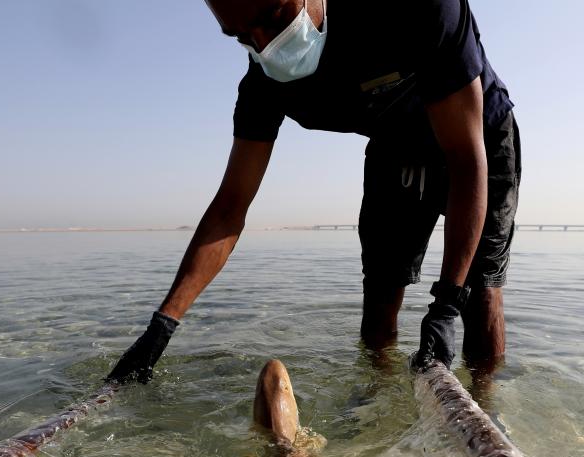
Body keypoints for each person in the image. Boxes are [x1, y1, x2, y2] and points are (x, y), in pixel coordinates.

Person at [107, 0, 521, 384]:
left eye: (272, 18)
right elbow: (229, 208)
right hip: (394, 146)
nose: (266, 46)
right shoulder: (263, 84)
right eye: (243, 37)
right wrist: (162, 327)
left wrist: (447, 302)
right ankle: (375, 414)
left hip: (477, 136)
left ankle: (485, 409)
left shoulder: (414, 6)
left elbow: (467, 160)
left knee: (479, 295)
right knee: (378, 303)